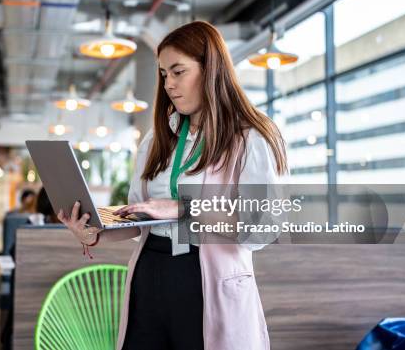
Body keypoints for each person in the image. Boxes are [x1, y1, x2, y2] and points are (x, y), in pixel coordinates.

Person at [57, 21, 288, 350]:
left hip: (204, 277)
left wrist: (185, 209)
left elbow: (265, 226)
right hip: (151, 272)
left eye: (179, 71)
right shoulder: (157, 138)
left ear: (211, 69)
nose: (168, 84)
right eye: (165, 74)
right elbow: (140, 216)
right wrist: (96, 231)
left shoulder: (251, 136)